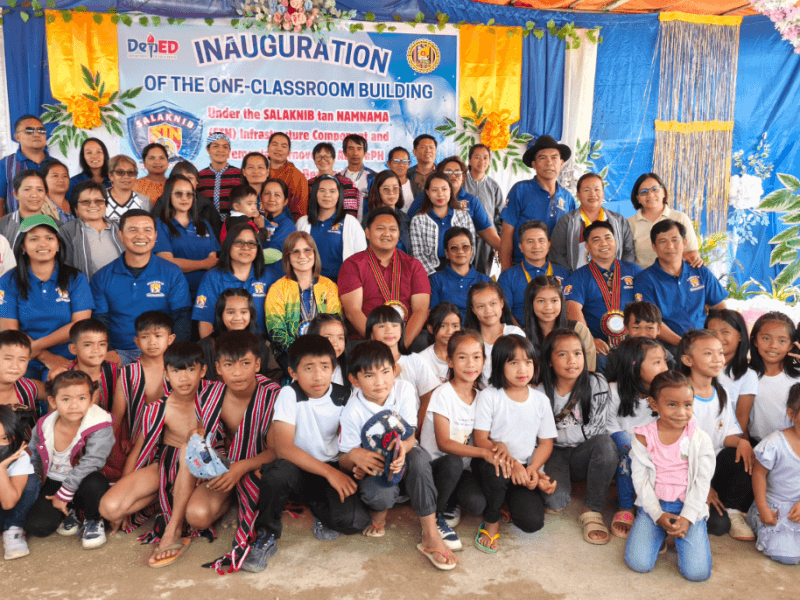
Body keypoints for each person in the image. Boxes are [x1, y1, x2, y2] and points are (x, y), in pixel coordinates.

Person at [244, 334, 369, 573]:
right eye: (309, 368)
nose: (318, 375)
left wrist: (341, 470)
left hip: (331, 467)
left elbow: (351, 443)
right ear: (293, 372)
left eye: (325, 367)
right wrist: (330, 474)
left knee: (355, 522)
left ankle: (316, 506)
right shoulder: (289, 395)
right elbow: (284, 448)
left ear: (334, 368)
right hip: (298, 469)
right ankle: (266, 534)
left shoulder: (345, 396)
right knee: (277, 473)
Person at [338, 341, 458, 571]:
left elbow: (410, 436)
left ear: (394, 370)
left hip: (406, 462)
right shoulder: (352, 410)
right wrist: (355, 456)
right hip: (378, 470)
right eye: (369, 375)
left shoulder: (404, 390)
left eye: (385, 372)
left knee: (418, 458)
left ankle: (431, 534)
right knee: (380, 496)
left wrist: (403, 447)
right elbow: (343, 460)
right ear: (354, 379)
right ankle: (380, 513)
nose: (380, 382)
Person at [100, 343, 222, 567]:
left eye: (191, 369)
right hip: (167, 466)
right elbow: (138, 450)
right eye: (176, 371)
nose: (184, 378)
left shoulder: (215, 395)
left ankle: (172, 529)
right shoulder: (157, 408)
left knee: (190, 449)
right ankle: (167, 497)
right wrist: (125, 500)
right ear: (166, 374)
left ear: (203, 371)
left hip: (206, 467)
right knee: (110, 508)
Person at [198, 331, 283, 574]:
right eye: (229, 365)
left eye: (245, 363)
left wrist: (241, 467)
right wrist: (212, 467)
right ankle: (231, 496)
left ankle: (240, 495)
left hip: (257, 468)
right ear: (218, 368)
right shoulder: (210, 394)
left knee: (268, 485)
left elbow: (276, 451)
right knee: (197, 517)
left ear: (257, 364)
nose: (237, 372)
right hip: (224, 465)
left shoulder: (273, 395)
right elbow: (204, 441)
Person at [625, 371, 715, 582]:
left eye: (688, 405)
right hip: (654, 506)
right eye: (672, 404)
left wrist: (688, 517)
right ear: (654, 404)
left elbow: (702, 482)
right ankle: (659, 532)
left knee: (697, 573)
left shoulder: (700, 439)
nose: (681, 413)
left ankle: (678, 534)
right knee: (638, 564)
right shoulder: (643, 437)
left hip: (688, 507)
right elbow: (640, 481)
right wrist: (657, 514)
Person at [473, 334, 558, 552]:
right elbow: (480, 439)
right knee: (497, 473)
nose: (522, 369)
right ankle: (491, 522)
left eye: (528, 362)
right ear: (499, 365)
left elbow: (546, 443)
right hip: (494, 463)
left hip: (523, 469)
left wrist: (532, 469)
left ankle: (505, 501)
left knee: (532, 523)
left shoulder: (540, 400)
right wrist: (513, 464)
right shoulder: (490, 396)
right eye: (513, 363)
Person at [538, 328, 617, 544]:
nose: (572, 360)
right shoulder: (539, 393)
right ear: (550, 361)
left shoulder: (597, 383)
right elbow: (538, 439)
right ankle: (563, 483)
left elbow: (596, 428)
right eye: (563, 354)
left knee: (605, 445)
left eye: (577, 353)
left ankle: (592, 509)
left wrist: (554, 434)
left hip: (585, 452)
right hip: (553, 453)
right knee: (556, 501)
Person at [677, 330, 755, 541]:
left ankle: (733, 509)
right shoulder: (680, 395)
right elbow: (678, 451)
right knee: (717, 526)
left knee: (746, 453)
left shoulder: (721, 393)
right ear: (688, 360)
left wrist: (742, 442)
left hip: (711, 466)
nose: (717, 359)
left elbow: (724, 436)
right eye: (708, 353)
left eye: (720, 353)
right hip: (685, 470)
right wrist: (704, 488)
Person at [25, 370, 113, 550]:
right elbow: (34, 458)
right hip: (54, 480)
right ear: (52, 401)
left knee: (95, 482)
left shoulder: (100, 423)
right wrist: (34, 487)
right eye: (65, 399)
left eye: (81, 398)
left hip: (86, 482)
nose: (74, 405)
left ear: (91, 399)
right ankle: (69, 511)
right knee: (37, 526)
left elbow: (92, 462)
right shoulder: (44, 425)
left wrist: (63, 494)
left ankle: (92, 518)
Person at [418, 330, 491, 546]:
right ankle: (436, 517)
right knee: (452, 462)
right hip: (436, 468)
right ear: (450, 361)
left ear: (484, 360)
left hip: (462, 469)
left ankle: (450, 498)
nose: (470, 364)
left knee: (477, 505)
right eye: (462, 357)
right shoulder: (443, 394)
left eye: (476, 357)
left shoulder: (482, 397)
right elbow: (444, 444)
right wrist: (484, 452)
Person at [90, 209, 191, 364]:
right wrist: (109, 351)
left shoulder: (172, 272)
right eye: (133, 230)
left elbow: (181, 317)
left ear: (155, 235)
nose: (141, 236)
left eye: (147, 230)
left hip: (162, 352)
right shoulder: (102, 277)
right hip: (120, 352)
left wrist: (172, 355)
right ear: (120, 236)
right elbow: (100, 321)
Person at [0, 214, 93, 379]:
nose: (43, 244)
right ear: (23, 246)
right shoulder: (8, 281)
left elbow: (80, 324)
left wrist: (37, 347)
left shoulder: (76, 278)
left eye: (49, 238)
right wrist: (44, 356)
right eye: (34, 239)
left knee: (63, 383)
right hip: (22, 357)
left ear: (58, 245)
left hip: (67, 357)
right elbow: (9, 328)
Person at [108, 311, 175, 515]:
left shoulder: (179, 370)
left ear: (170, 339)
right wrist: (117, 447)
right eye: (145, 337)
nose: (152, 342)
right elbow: (117, 417)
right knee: (118, 496)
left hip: (172, 443)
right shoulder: (128, 372)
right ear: (136, 341)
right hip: (138, 445)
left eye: (158, 336)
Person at [338, 208, 431, 352]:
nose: (387, 234)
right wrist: (380, 348)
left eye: (393, 229)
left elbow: (420, 311)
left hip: (405, 338)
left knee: (424, 341)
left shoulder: (414, 266)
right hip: (366, 339)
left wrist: (400, 347)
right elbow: (353, 311)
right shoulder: (353, 265)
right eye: (380, 228)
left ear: (398, 234)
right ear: (367, 233)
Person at [604, 337, 669, 538]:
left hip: (652, 445)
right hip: (623, 444)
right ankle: (626, 507)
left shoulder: (665, 393)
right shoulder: (614, 391)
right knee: (627, 458)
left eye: (664, 361)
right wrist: (628, 442)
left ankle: (651, 506)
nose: (664, 367)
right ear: (634, 366)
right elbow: (609, 423)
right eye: (657, 362)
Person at [633, 219, 727, 353]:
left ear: (684, 243)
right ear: (654, 247)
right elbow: (651, 322)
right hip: (667, 347)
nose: (670, 246)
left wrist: (715, 337)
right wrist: (684, 345)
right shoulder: (644, 280)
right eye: (663, 241)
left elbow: (720, 307)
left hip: (704, 342)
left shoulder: (700, 271)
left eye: (674, 240)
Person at [564, 220, 642, 372]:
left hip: (633, 341)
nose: (603, 243)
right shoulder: (579, 276)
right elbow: (572, 309)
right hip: (600, 345)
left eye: (608, 238)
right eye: (596, 240)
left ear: (615, 242)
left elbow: (647, 306)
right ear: (587, 247)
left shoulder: (634, 270)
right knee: (597, 362)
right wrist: (590, 341)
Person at [265, 232, 340, 367]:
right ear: (287, 257)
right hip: (290, 357)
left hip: (325, 353)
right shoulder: (277, 288)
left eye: (307, 250)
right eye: (295, 251)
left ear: (315, 253)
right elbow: (276, 331)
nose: (302, 256)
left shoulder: (328, 286)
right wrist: (301, 355)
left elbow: (334, 323)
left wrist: (321, 353)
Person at [499, 135, 575, 270]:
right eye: (542, 158)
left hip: (557, 269)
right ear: (534, 164)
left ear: (561, 163)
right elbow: (506, 236)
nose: (549, 163)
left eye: (554, 157)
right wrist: (505, 273)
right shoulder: (520, 190)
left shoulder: (568, 198)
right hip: (522, 267)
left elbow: (573, 238)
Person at [407, 157, 501, 264]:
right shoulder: (425, 197)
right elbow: (408, 222)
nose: (453, 175)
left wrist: (504, 250)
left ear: (463, 177)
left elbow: (486, 230)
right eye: (448, 172)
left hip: (460, 261)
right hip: (430, 263)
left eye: (457, 172)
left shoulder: (472, 201)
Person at [746, 383, 800, 565]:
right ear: (792, 414)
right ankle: (754, 519)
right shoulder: (775, 443)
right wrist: (763, 509)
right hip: (775, 508)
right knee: (788, 556)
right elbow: (759, 475)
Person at [194, 222, 277, 338]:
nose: (246, 247)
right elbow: (205, 322)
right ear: (229, 245)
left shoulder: (270, 277)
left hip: (260, 344)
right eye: (239, 242)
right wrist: (213, 348)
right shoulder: (212, 278)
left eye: (251, 243)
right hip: (223, 344)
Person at [366, 305, 441, 432]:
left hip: (412, 432)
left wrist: (416, 432)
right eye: (382, 326)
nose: (389, 330)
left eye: (394, 325)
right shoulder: (365, 364)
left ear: (402, 330)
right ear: (372, 334)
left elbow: (427, 400)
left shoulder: (415, 361)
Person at [551, 172, 635, 272]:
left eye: (597, 189)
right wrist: (572, 277)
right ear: (578, 195)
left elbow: (628, 252)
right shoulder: (566, 221)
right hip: (578, 278)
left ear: (603, 194)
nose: (592, 194)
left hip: (613, 278)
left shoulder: (619, 221)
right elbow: (557, 255)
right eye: (587, 190)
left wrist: (622, 275)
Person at [153, 175, 220, 297]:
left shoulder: (204, 224)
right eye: (178, 194)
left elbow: (212, 261)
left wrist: (206, 263)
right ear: (168, 195)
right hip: (175, 293)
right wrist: (203, 264)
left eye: (189, 194)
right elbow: (168, 263)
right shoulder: (160, 225)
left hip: (205, 293)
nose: (184, 198)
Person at [198, 289, 281, 383]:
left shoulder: (262, 344)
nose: (237, 318)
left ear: (251, 314)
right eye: (230, 312)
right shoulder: (205, 347)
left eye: (243, 312)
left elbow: (274, 375)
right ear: (221, 314)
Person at [296, 174, 367, 282]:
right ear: (315, 194)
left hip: (341, 283)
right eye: (322, 190)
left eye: (332, 191)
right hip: (309, 282)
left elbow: (362, 259)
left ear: (339, 195)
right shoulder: (302, 222)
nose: (327, 195)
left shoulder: (351, 223)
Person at [497, 220, 568, 326]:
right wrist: (521, 334)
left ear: (549, 245)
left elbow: (570, 308)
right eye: (530, 241)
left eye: (541, 240)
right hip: (522, 332)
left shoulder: (565, 273)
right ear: (521, 247)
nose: (536, 246)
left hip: (559, 332)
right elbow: (504, 312)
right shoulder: (508, 277)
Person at [743, 313, 800, 443]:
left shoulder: (798, 375)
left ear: (791, 345)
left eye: (782, 341)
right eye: (766, 338)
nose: (773, 345)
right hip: (757, 445)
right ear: (755, 341)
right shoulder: (746, 376)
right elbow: (742, 419)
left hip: (794, 447)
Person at [523, 275, 597, 372]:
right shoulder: (522, 335)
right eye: (541, 301)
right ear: (531, 303)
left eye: (554, 300)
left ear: (561, 302)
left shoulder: (578, 330)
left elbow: (589, 371)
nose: (548, 307)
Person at [628, 173, 702, 268]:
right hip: (643, 276)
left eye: (655, 189)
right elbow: (626, 258)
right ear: (638, 198)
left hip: (675, 275)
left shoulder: (680, 218)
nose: (650, 194)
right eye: (644, 192)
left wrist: (695, 261)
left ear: (663, 192)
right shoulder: (629, 223)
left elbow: (691, 253)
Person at [410, 173, 476, 275]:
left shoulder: (463, 216)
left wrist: (461, 271)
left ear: (450, 191)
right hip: (430, 272)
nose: (440, 194)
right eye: (434, 190)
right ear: (427, 192)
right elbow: (418, 254)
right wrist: (434, 277)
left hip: (460, 270)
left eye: (444, 189)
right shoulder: (418, 220)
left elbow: (472, 248)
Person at [60, 180, 124, 279]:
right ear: (76, 209)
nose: (93, 205)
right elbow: (66, 268)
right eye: (85, 202)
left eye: (98, 201)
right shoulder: (67, 231)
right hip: (87, 287)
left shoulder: (119, 227)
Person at [0, 405, 40, 559]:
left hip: (11, 509)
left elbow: (8, 503)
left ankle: (13, 530)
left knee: (31, 480)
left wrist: (1, 468)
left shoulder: (19, 455)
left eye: (4, 438)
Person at [464, 281, 524, 382]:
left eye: (493, 303)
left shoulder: (515, 334)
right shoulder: (469, 341)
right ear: (473, 310)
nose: (488, 310)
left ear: (501, 303)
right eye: (481, 306)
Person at [705, 309, 759, 417]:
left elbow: (741, 420)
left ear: (740, 336)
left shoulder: (747, 375)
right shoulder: (698, 368)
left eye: (725, 332)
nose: (718, 338)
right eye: (711, 333)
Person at [429, 228, 491, 319]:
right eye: (454, 248)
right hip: (447, 326)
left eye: (465, 247)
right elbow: (434, 315)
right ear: (447, 253)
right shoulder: (435, 280)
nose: (460, 251)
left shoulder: (486, 281)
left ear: (472, 251)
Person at [0, 115, 54, 216]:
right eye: (29, 131)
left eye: (41, 131)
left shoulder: (55, 164)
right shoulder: (6, 165)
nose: (37, 134)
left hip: (54, 224)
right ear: (17, 137)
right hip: (19, 225)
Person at [463, 144, 504, 275]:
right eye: (477, 157)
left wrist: (498, 244)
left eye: (485, 157)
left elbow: (499, 218)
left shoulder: (494, 186)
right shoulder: (461, 183)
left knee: (482, 276)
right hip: (464, 239)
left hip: (487, 241)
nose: (482, 161)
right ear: (470, 160)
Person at [0, 170, 59, 248]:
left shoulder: (58, 226)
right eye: (27, 189)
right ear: (16, 194)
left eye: (40, 190)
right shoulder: (3, 225)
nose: (34, 195)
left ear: (45, 194)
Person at [363, 170, 411, 253]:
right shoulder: (368, 220)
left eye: (395, 188)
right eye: (386, 189)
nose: (391, 193)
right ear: (377, 191)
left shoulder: (405, 218)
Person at [0, 330, 46, 418]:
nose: (15, 366)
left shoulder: (29, 387)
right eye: (8, 358)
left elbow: (57, 394)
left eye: (22, 360)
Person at [197, 132, 242, 220]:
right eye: (216, 146)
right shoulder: (199, 176)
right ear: (208, 150)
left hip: (233, 223)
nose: (221, 150)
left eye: (225, 147)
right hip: (206, 224)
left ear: (229, 151)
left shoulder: (239, 174)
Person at [308, 142, 360, 216]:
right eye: (318, 157)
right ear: (314, 161)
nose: (322, 160)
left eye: (327, 156)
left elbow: (351, 212)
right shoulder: (309, 184)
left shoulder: (345, 182)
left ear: (333, 160)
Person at [417, 302, 462, 384]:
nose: (450, 331)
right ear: (430, 329)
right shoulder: (421, 360)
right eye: (443, 326)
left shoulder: (469, 355)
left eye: (455, 326)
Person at [268, 132, 308, 220]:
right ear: (268, 148)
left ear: (289, 152)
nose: (278, 149)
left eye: (284, 146)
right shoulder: (259, 171)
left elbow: (300, 214)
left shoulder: (297, 177)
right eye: (275, 144)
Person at [338, 134, 375, 220]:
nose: (355, 153)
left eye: (359, 149)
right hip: (343, 224)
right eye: (351, 148)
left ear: (365, 153)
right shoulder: (338, 178)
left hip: (366, 225)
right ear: (344, 153)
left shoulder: (373, 177)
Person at [106, 154, 152, 222]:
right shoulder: (99, 198)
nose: (126, 176)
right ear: (111, 176)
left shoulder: (145, 201)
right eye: (120, 172)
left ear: (136, 176)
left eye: (131, 172)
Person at [307, 313, 349, 387]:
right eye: (328, 338)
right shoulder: (305, 370)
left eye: (340, 338)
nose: (335, 343)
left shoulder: (349, 370)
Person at [261, 178, 297, 254]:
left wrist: (260, 228)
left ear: (285, 201)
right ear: (261, 198)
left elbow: (271, 254)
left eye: (277, 195)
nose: (271, 199)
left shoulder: (287, 225)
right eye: (267, 194)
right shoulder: (256, 220)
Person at [408, 135, 438, 199]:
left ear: (436, 151)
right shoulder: (406, 174)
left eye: (431, 147)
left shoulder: (443, 172)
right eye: (423, 147)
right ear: (414, 152)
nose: (428, 151)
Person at [385, 146, 413, 211]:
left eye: (405, 161)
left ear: (409, 164)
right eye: (396, 161)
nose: (401, 164)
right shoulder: (380, 186)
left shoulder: (417, 188)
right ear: (388, 164)